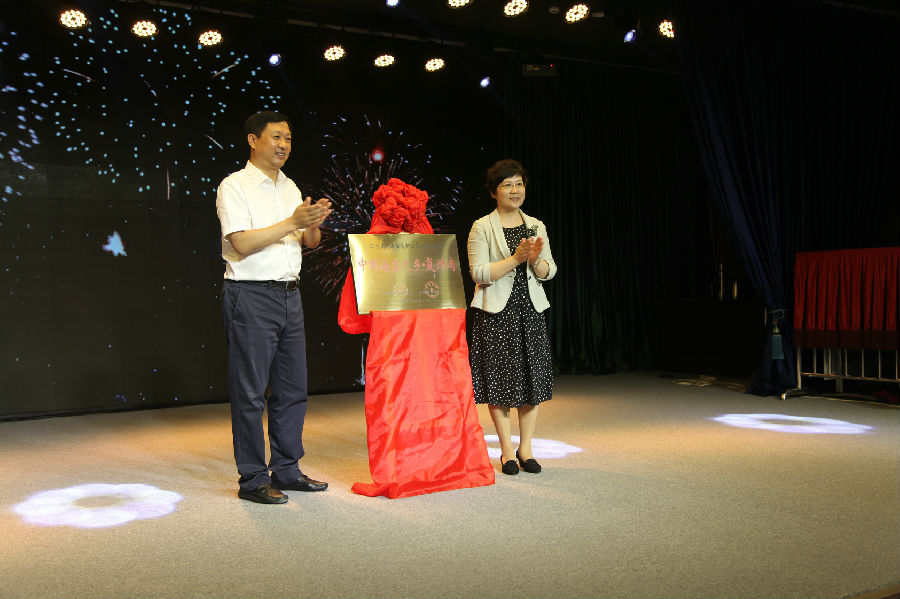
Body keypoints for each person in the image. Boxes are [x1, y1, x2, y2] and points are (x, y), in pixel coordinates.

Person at [216, 110, 333, 504]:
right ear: (253, 140)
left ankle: (287, 469)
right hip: (250, 295)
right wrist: (292, 221)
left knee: (292, 389)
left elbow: (309, 242)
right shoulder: (235, 186)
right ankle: (252, 478)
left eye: (288, 139)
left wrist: (312, 222)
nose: (284, 145)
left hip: (289, 294)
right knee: (250, 392)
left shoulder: (290, 186)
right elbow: (241, 243)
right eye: (276, 137)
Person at [467, 159, 557, 475]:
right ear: (494, 192)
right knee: (500, 382)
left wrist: (535, 261)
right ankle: (506, 450)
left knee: (532, 381)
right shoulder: (482, 226)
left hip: (530, 311)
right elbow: (478, 272)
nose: (515, 190)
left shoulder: (535, 225)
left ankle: (526, 449)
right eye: (507, 185)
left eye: (519, 184)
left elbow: (549, 270)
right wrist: (515, 259)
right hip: (496, 313)